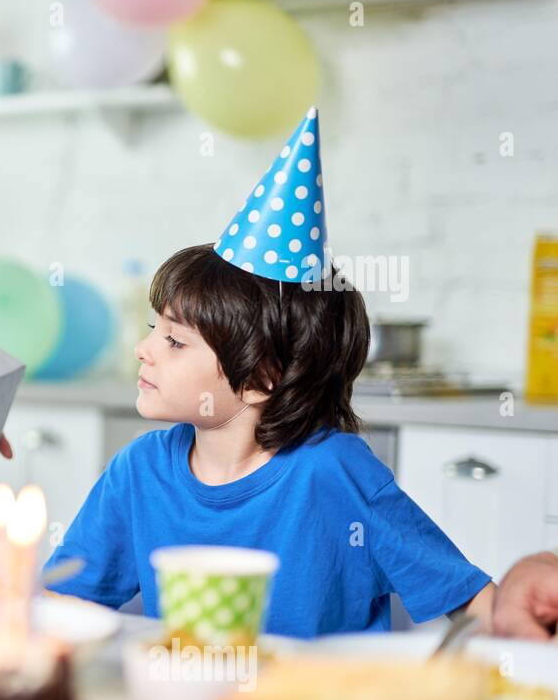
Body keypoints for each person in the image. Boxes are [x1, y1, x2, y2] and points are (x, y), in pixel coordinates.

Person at [45, 107, 495, 638]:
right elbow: (59, 609)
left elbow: (475, 605)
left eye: (173, 340)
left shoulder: (333, 472)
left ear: (261, 378)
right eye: (153, 329)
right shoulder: (138, 473)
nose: (143, 349)